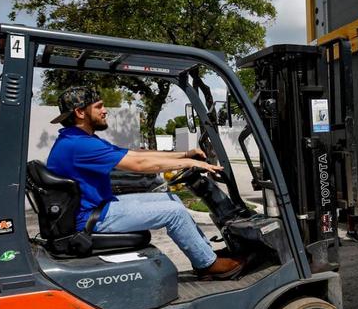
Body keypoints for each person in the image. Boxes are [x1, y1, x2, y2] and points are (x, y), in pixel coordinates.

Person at [45, 86, 244, 279]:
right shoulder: (80, 145)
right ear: (80, 112)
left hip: (98, 207)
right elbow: (139, 164)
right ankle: (207, 264)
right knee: (175, 213)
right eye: (99, 106)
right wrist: (189, 162)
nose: (105, 111)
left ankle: (206, 254)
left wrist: (185, 154)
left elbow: (136, 154)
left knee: (172, 198)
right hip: (92, 217)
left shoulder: (77, 139)